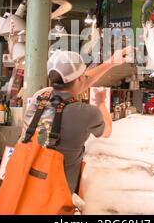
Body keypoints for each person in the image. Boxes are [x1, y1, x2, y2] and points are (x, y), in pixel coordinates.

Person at [20, 46, 132, 195]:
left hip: (24, 186)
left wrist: (111, 62)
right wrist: (100, 103)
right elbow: (107, 131)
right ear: (79, 78)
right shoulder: (86, 113)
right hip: (56, 198)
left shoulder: (39, 96)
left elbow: (75, 83)